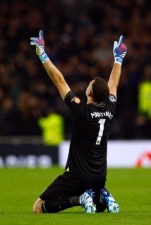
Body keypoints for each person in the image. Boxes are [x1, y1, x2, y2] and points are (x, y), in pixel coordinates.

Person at [30, 30, 127, 214]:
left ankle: (80, 199)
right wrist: (119, 59)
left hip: (77, 176)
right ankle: (102, 197)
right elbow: (113, 83)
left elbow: (59, 81)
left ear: (89, 93)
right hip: (100, 176)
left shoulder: (82, 111)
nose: (87, 85)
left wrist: (42, 54)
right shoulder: (110, 108)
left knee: (38, 208)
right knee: (97, 208)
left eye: (89, 84)